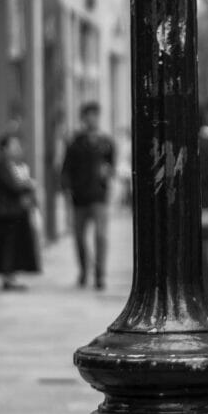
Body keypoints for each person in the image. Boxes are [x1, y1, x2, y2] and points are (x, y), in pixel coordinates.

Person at [61, 101, 116, 290]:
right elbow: (66, 168)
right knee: (78, 237)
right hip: (79, 197)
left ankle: (100, 273)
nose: (92, 119)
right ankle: (84, 270)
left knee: (101, 235)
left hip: (99, 196)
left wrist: (107, 173)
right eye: (89, 115)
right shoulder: (75, 142)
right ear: (83, 118)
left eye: (95, 114)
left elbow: (111, 167)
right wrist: (67, 189)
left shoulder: (106, 142)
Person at [0, 133, 41, 291]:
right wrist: (28, 184)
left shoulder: (14, 165)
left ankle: (10, 276)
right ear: (4, 149)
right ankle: (7, 277)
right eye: (14, 146)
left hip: (14, 212)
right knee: (8, 247)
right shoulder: (1, 166)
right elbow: (13, 186)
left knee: (12, 247)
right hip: (7, 213)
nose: (17, 149)